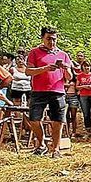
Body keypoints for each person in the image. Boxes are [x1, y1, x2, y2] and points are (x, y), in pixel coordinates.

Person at [26, 26, 73, 158]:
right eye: (48, 39)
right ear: (42, 38)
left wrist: (66, 68)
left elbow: (69, 77)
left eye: (54, 39)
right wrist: (45, 68)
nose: (51, 42)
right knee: (34, 119)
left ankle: (56, 149)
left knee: (58, 120)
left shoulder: (63, 55)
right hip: (38, 90)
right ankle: (41, 144)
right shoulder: (34, 52)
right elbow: (28, 71)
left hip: (57, 91)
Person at [76, 61, 91, 137]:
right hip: (83, 96)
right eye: (85, 66)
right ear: (82, 67)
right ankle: (88, 131)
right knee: (86, 114)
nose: (86, 68)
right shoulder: (80, 76)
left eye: (88, 66)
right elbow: (77, 86)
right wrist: (84, 87)